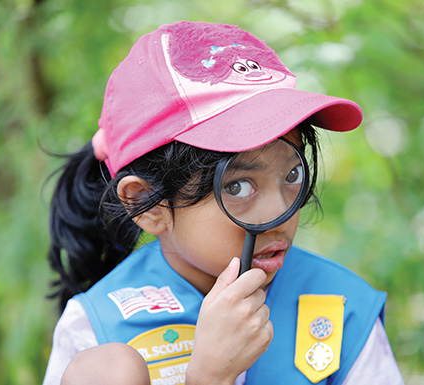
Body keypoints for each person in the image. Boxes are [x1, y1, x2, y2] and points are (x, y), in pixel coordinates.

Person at [43, 20, 403, 385]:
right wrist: (209, 378)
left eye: (291, 176)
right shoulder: (99, 327)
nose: (280, 214)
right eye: (239, 187)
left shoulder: (343, 308)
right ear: (147, 205)